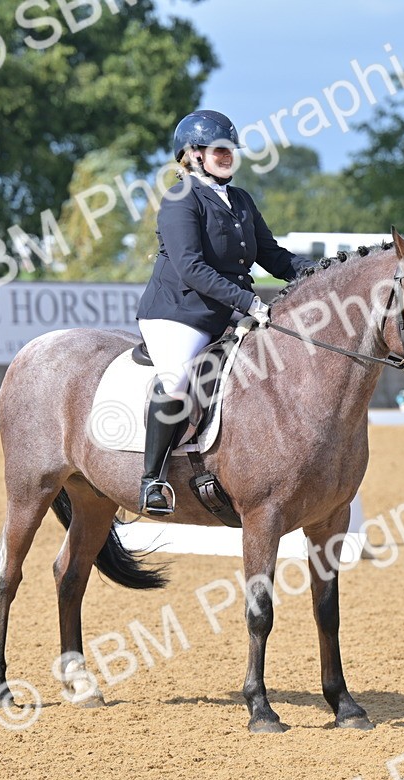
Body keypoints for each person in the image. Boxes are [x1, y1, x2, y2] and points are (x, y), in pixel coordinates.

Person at [134, 109, 314, 515]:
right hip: (179, 312)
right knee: (177, 380)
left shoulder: (241, 200)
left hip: (229, 309)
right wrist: (248, 302)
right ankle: (153, 480)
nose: (228, 155)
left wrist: (322, 272)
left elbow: (274, 257)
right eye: (219, 149)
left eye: (231, 149)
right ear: (194, 154)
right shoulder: (181, 198)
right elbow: (191, 268)